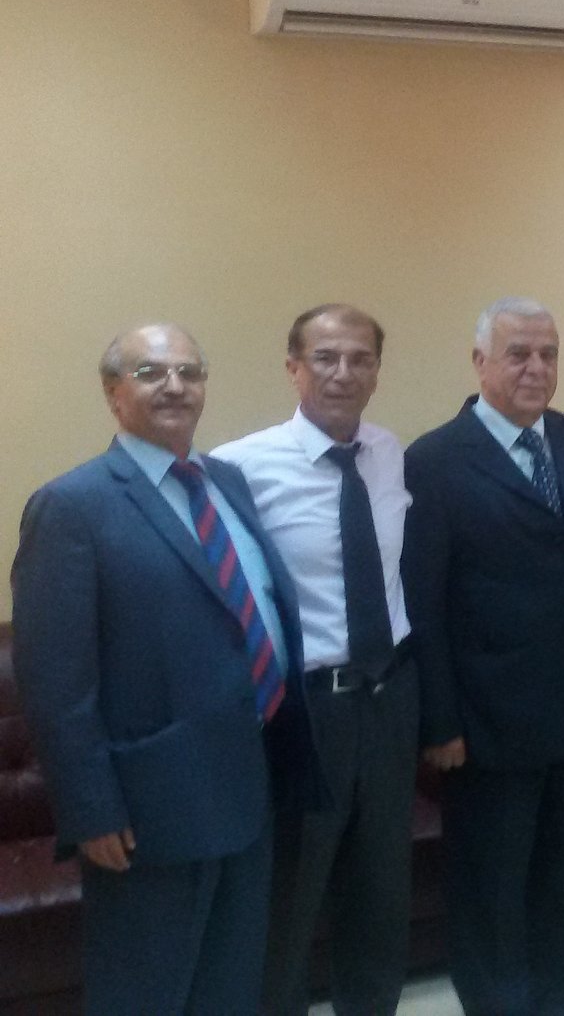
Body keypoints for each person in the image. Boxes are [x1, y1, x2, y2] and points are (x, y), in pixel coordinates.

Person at [13, 322, 321, 1016]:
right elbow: (56, 681)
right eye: (151, 372)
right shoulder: (72, 506)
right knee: (145, 993)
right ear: (112, 392)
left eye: (190, 372)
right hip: (151, 810)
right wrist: (90, 809)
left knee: (231, 984)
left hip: (252, 785)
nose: (175, 386)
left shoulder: (226, 482)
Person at [402, 298, 564, 1013]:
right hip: (489, 719)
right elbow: (425, 603)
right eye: (518, 354)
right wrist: (440, 722)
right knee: (493, 880)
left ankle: (556, 983)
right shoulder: (434, 461)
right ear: (480, 363)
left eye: (548, 354)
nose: (536, 368)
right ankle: (498, 1000)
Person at [213, 304, 417, 1016]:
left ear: (377, 371)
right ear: (293, 368)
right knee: (291, 898)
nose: (343, 373)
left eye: (360, 359)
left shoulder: (389, 452)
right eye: (325, 358)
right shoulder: (238, 467)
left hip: (390, 698)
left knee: (381, 892)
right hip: (305, 711)